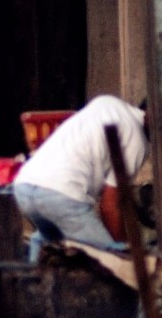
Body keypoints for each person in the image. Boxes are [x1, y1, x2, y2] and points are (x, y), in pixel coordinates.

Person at [13, 94, 150, 260]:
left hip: (25, 186)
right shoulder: (137, 140)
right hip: (61, 195)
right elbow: (109, 205)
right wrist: (125, 255)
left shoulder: (108, 102)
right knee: (107, 263)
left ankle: (30, 273)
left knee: (52, 244)